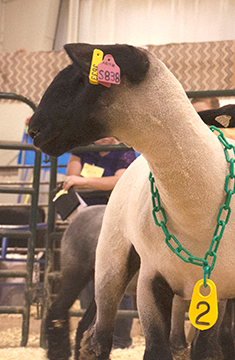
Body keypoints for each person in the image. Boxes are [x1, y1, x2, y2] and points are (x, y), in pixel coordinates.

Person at [63, 136, 137, 349]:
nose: (103, 134)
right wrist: (82, 181)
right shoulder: (82, 146)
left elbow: (119, 181)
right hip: (85, 220)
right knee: (87, 275)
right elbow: (71, 176)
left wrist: (83, 182)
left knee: (118, 277)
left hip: (115, 220)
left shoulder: (123, 149)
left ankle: (120, 339)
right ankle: (92, 333)